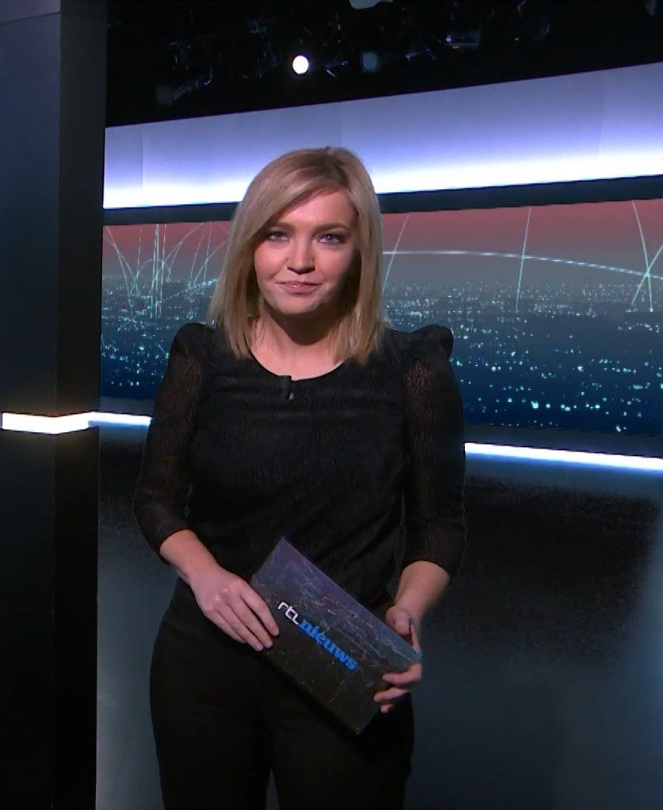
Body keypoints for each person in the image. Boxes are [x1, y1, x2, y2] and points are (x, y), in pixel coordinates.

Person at [133, 146, 466, 809]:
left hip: (341, 656)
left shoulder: (412, 369)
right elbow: (156, 500)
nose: (301, 260)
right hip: (206, 659)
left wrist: (407, 608)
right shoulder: (202, 358)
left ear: (360, 251)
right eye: (277, 235)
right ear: (249, 247)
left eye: (330, 237)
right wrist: (206, 576)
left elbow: (439, 525)